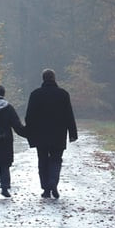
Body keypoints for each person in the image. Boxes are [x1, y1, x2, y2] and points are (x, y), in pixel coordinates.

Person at [25, 68, 78, 199]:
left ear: (43, 78)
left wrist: (29, 132)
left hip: (40, 134)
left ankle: (46, 189)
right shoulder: (63, 94)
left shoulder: (35, 94)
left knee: (42, 161)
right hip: (58, 134)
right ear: (54, 78)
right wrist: (72, 133)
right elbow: (69, 115)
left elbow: (29, 116)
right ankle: (53, 181)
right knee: (56, 160)